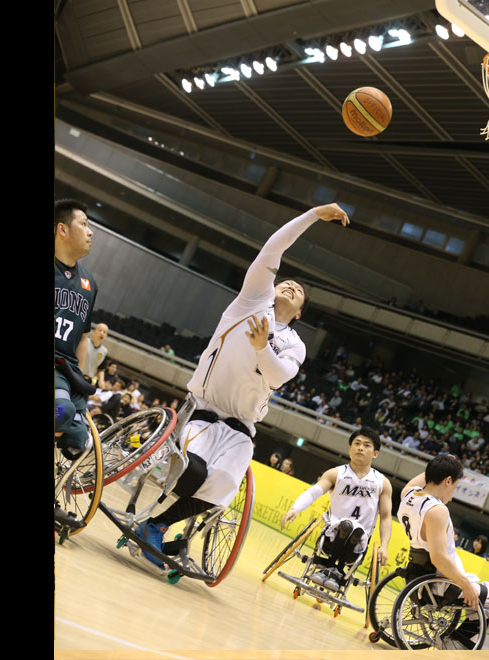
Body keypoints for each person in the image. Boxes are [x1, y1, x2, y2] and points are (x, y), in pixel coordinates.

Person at [134, 203, 351, 566]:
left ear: (299, 314)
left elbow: (280, 376)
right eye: (287, 282)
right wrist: (314, 214)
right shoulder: (252, 299)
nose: (292, 285)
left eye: (298, 291)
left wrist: (261, 348)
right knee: (194, 474)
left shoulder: (295, 344)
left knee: (221, 487)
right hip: (204, 410)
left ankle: (155, 526)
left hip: (241, 429)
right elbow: (273, 249)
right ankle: (153, 477)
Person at [397, 454, 489, 644]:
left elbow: (422, 479)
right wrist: (465, 585)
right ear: (448, 480)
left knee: (485, 595)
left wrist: (440, 464)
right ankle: (457, 642)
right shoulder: (437, 510)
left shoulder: (408, 495)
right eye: (455, 485)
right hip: (442, 584)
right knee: (488, 597)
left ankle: (461, 636)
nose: (454, 491)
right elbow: (439, 557)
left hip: (418, 575)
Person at [281, 426, 393, 592]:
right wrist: (295, 508)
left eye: (366, 445)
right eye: (357, 443)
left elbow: (385, 517)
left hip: (358, 545)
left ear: (375, 453)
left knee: (354, 529)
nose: (360, 448)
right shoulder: (336, 473)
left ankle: (336, 571)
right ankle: (333, 570)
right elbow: (313, 493)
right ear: (349, 449)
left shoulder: (382, 483)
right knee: (346, 525)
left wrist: (384, 546)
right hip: (330, 537)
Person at [54, 198, 98, 460]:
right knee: (61, 410)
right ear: (62, 230)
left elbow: (83, 337)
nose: (90, 231)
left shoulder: (89, 283)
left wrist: (80, 378)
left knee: (79, 442)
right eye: (83, 224)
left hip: (68, 369)